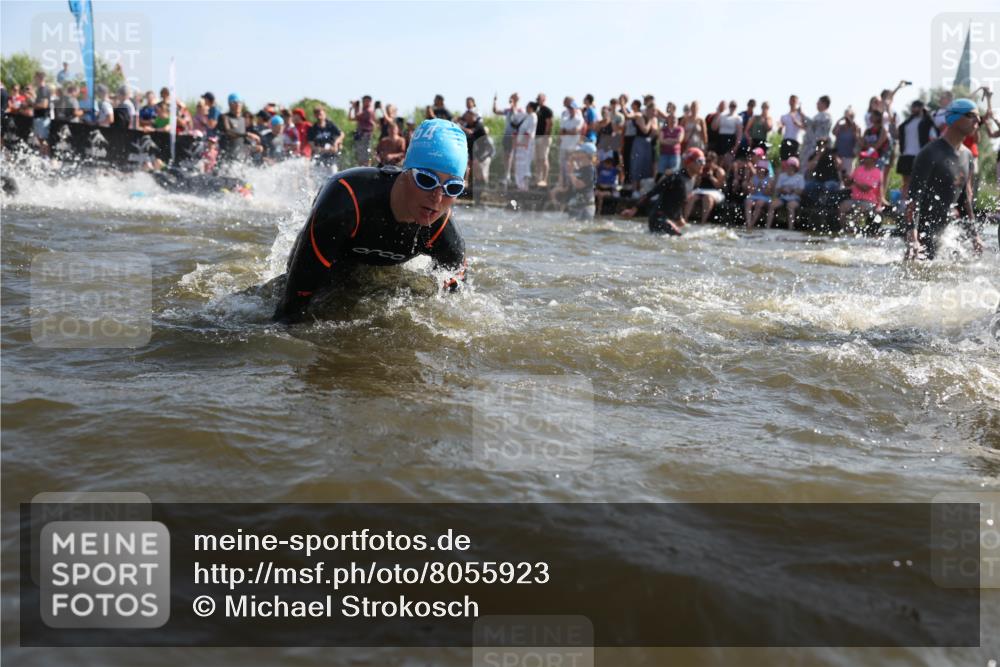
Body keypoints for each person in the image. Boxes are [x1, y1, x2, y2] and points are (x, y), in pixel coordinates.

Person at [274, 118, 468, 323]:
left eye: (453, 187)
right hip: (336, 254)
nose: (437, 199)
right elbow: (291, 307)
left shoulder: (442, 230)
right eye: (427, 180)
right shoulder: (346, 201)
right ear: (406, 171)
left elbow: (455, 304)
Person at [903, 99, 984, 260]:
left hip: (947, 233)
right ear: (953, 117)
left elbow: (964, 200)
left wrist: (974, 235)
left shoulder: (967, 155)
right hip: (922, 233)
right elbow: (914, 197)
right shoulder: (930, 153)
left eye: (979, 117)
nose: (978, 120)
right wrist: (912, 235)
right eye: (971, 115)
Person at [621, 147, 705, 235]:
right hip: (658, 218)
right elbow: (652, 192)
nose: (703, 164)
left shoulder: (692, 180)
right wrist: (634, 209)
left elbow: (677, 201)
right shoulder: (675, 178)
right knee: (683, 239)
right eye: (700, 161)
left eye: (704, 161)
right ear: (689, 162)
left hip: (669, 219)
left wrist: (679, 218)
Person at [896, 100, 937, 199]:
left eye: (917, 107)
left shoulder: (928, 122)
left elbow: (934, 137)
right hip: (906, 155)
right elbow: (899, 135)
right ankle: (903, 206)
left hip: (920, 156)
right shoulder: (907, 123)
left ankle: (916, 205)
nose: (914, 109)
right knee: (906, 182)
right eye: (913, 107)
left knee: (920, 182)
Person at [838, 147, 883, 231]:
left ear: (873, 159)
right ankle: (844, 229)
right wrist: (845, 177)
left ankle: (854, 229)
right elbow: (848, 183)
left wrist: (854, 181)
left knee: (859, 208)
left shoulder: (877, 173)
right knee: (843, 206)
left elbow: (866, 188)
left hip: (869, 202)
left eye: (867, 157)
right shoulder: (859, 169)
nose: (864, 159)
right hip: (855, 199)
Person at [686, 150, 726, 224]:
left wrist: (711, 177)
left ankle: (703, 221)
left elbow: (720, 186)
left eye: (709, 161)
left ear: (714, 161)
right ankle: (685, 219)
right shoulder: (700, 169)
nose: (706, 163)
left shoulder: (719, 171)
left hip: (714, 191)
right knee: (691, 197)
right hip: (701, 190)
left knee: (707, 198)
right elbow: (697, 184)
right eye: (705, 161)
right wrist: (700, 176)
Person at [493, 92, 523, 187]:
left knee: (512, 156)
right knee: (506, 155)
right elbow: (496, 111)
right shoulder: (508, 110)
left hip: (515, 136)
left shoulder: (520, 110)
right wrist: (495, 101)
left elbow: (516, 118)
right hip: (507, 135)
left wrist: (513, 105)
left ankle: (512, 176)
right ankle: (507, 175)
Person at [766, 157, 805, 229]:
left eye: (791, 166)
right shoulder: (782, 176)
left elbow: (800, 191)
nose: (789, 167)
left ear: (795, 167)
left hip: (794, 198)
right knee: (772, 205)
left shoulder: (800, 177)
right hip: (782, 197)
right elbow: (777, 189)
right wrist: (783, 190)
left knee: (790, 207)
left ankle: (790, 228)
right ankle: (767, 226)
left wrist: (792, 190)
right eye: (788, 165)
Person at [800, 95, 832, 173]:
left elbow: (814, 124)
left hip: (817, 147)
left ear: (824, 104)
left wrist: (803, 115)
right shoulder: (817, 116)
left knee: (811, 168)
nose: (817, 104)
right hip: (810, 146)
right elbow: (810, 128)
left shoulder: (825, 115)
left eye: (819, 102)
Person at [308, 106, 344, 174]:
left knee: (333, 175)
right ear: (314, 115)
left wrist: (336, 144)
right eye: (317, 114)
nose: (319, 116)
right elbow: (312, 145)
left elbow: (341, 134)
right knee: (320, 178)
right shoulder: (313, 129)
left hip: (332, 157)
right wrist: (323, 150)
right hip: (319, 158)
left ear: (325, 114)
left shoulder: (330, 125)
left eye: (320, 114)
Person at [558, 97, 584, 186]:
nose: (570, 110)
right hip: (564, 145)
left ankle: (573, 184)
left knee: (573, 166)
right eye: (569, 108)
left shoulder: (579, 119)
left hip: (573, 146)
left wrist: (566, 131)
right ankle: (563, 183)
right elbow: (561, 132)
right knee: (562, 166)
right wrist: (567, 131)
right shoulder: (565, 118)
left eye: (572, 108)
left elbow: (575, 131)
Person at [743, 158, 772, 230]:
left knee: (759, 203)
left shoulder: (769, 179)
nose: (760, 170)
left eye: (762, 169)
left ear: (765, 170)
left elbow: (768, 193)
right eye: (759, 168)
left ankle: (752, 224)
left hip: (764, 197)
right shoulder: (754, 178)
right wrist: (755, 188)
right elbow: (750, 191)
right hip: (754, 196)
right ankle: (748, 222)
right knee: (748, 202)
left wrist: (762, 187)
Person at [712, 100, 742, 169]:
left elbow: (739, 134)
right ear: (729, 106)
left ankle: (727, 177)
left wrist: (736, 146)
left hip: (730, 140)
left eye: (734, 106)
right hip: (721, 139)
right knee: (719, 161)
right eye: (731, 105)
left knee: (728, 161)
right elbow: (714, 127)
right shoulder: (722, 115)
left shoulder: (738, 118)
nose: (732, 107)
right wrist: (718, 113)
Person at [832, 108, 861, 179]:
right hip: (838, 156)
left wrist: (853, 127)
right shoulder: (841, 127)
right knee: (837, 176)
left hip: (849, 156)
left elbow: (858, 139)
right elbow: (834, 132)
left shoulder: (856, 127)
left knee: (848, 176)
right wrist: (839, 121)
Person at [348, 95, 376, 166]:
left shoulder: (368, 111)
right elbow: (350, 118)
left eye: (366, 101)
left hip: (366, 135)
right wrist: (352, 108)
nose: (364, 102)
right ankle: (361, 168)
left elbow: (357, 116)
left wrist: (356, 107)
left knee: (366, 154)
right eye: (363, 101)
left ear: (370, 102)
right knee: (360, 154)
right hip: (360, 134)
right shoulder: (362, 110)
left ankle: (367, 169)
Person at [534, 93, 554, 187]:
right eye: (537, 99)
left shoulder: (547, 110)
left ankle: (544, 179)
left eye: (539, 99)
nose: (538, 100)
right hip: (537, 137)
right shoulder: (537, 110)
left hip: (544, 137)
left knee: (544, 158)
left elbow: (550, 123)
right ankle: (538, 178)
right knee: (538, 159)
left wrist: (547, 136)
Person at [779, 95, 806, 160]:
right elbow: (779, 132)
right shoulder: (784, 116)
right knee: (784, 162)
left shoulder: (801, 115)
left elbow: (805, 127)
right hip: (785, 141)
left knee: (793, 163)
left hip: (795, 142)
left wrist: (797, 123)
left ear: (797, 102)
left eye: (794, 101)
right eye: (791, 100)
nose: (792, 102)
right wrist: (780, 128)